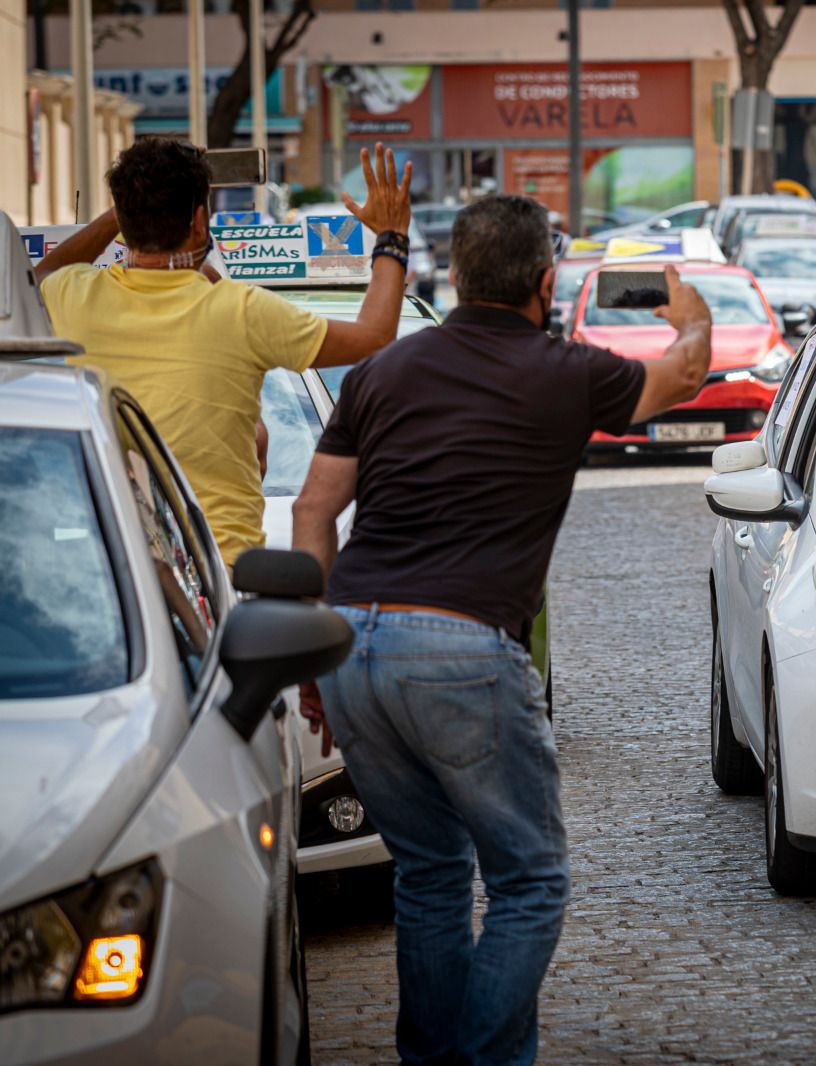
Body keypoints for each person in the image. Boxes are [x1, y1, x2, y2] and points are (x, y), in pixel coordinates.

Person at [291, 194, 712, 1066]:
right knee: (530, 880)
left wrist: (316, 650)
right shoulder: (567, 370)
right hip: (461, 648)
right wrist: (690, 311)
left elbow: (313, 510)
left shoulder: (382, 373)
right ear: (545, 280)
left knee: (429, 875)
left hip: (354, 645)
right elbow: (682, 376)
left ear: (459, 275)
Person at [34, 138, 413, 566]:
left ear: (125, 218)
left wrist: (118, 219)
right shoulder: (240, 310)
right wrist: (392, 237)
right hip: (222, 573)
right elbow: (375, 335)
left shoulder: (76, 298)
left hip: (116, 582)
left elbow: (43, 273)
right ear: (199, 222)